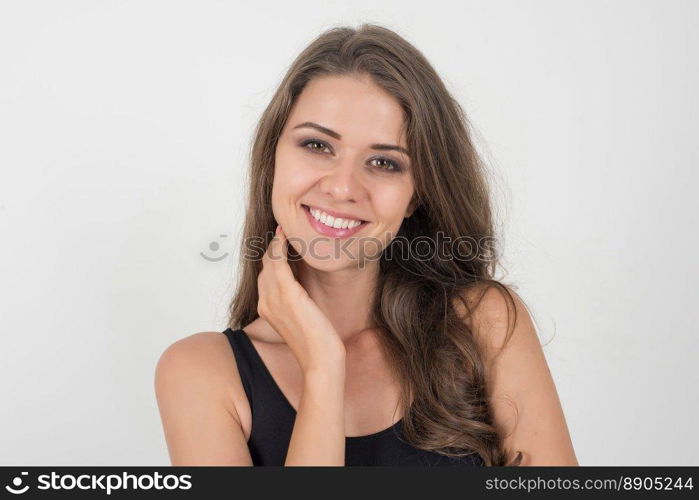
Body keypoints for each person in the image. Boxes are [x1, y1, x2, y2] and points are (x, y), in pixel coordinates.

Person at [155, 23, 578, 466]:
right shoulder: (201, 373)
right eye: (317, 145)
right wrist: (323, 366)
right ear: (273, 157)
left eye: (383, 162)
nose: (342, 188)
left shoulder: (482, 324)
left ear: (418, 193)